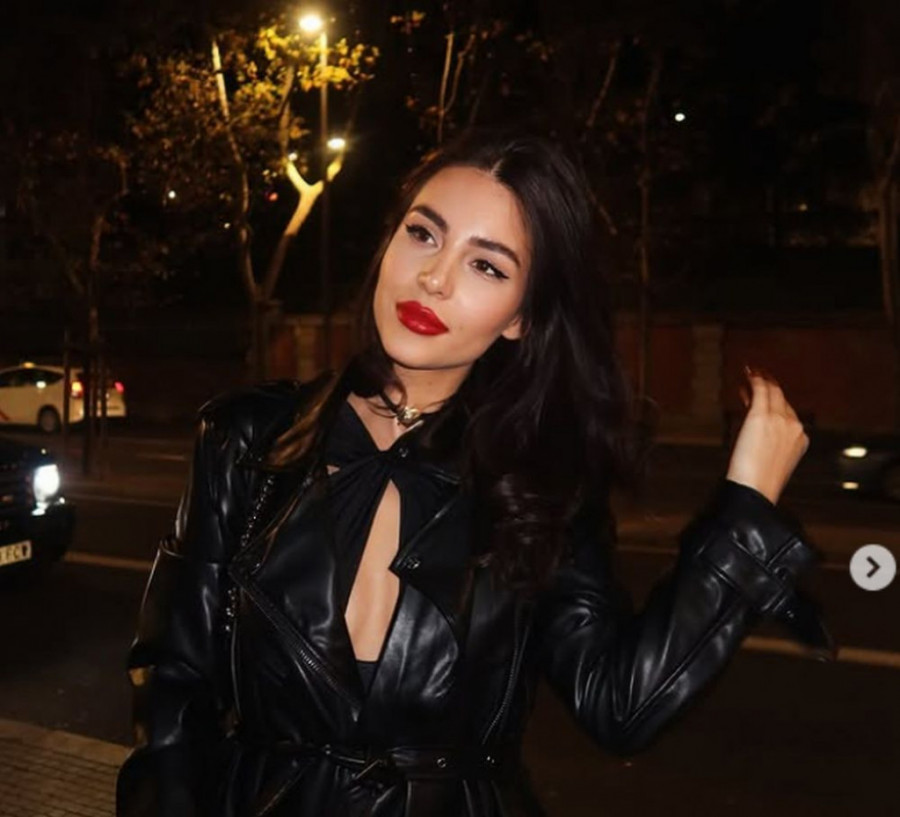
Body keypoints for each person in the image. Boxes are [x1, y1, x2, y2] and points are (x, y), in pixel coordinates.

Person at [116, 128, 834, 817]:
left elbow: (620, 705)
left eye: (487, 265)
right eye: (423, 234)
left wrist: (745, 509)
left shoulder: (543, 486)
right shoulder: (247, 438)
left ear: (522, 317)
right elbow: (173, 683)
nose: (433, 277)